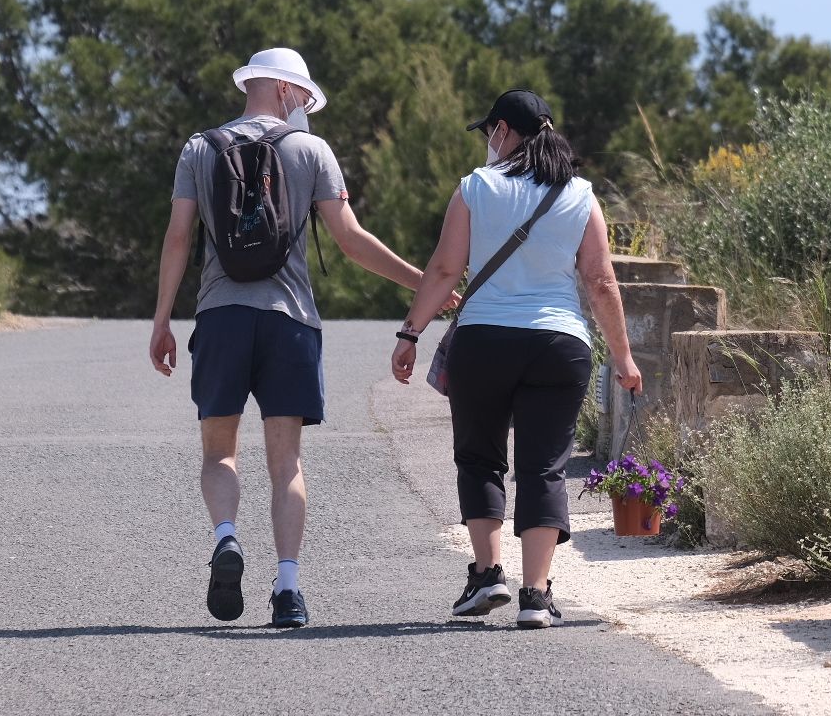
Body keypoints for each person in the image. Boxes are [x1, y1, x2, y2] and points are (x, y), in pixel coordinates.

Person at [149, 47, 442, 630]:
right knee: (287, 464)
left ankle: (227, 538)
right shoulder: (312, 151)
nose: (307, 106)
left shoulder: (199, 149)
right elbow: (351, 240)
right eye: (304, 96)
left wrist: (162, 321)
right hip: (290, 321)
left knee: (220, 451)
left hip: (221, 316)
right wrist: (426, 283)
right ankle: (287, 590)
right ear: (285, 90)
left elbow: (179, 238)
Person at [391, 89, 644, 629]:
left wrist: (410, 333)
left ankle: (487, 576)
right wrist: (622, 358)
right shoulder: (581, 195)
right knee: (544, 467)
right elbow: (600, 282)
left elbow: (441, 272)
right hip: (560, 344)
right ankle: (536, 595)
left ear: (503, 131)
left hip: (485, 341)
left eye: (489, 132)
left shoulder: (475, 189)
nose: (487, 142)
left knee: (480, 458)